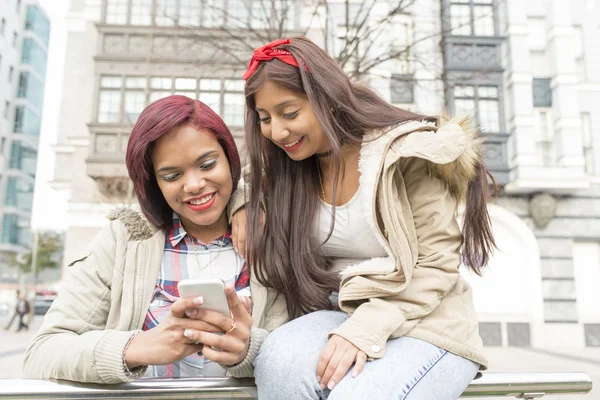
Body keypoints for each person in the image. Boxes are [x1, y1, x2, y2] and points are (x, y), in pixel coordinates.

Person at [229, 37, 498, 399]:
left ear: (324, 98)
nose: (277, 132)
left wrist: (364, 331)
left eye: (289, 113)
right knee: (276, 361)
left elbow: (435, 264)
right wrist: (242, 205)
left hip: (428, 322)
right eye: (264, 119)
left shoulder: (406, 155)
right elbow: (238, 179)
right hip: (339, 313)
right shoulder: (291, 167)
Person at [23, 96, 255, 383]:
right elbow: (42, 353)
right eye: (171, 175)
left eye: (207, 164)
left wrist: (249, 350)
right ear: (153, 183)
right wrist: (135, 348)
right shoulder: (125, 239)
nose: (194, 185)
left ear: (229, 157)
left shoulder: (270, 232)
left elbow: (303, 342)